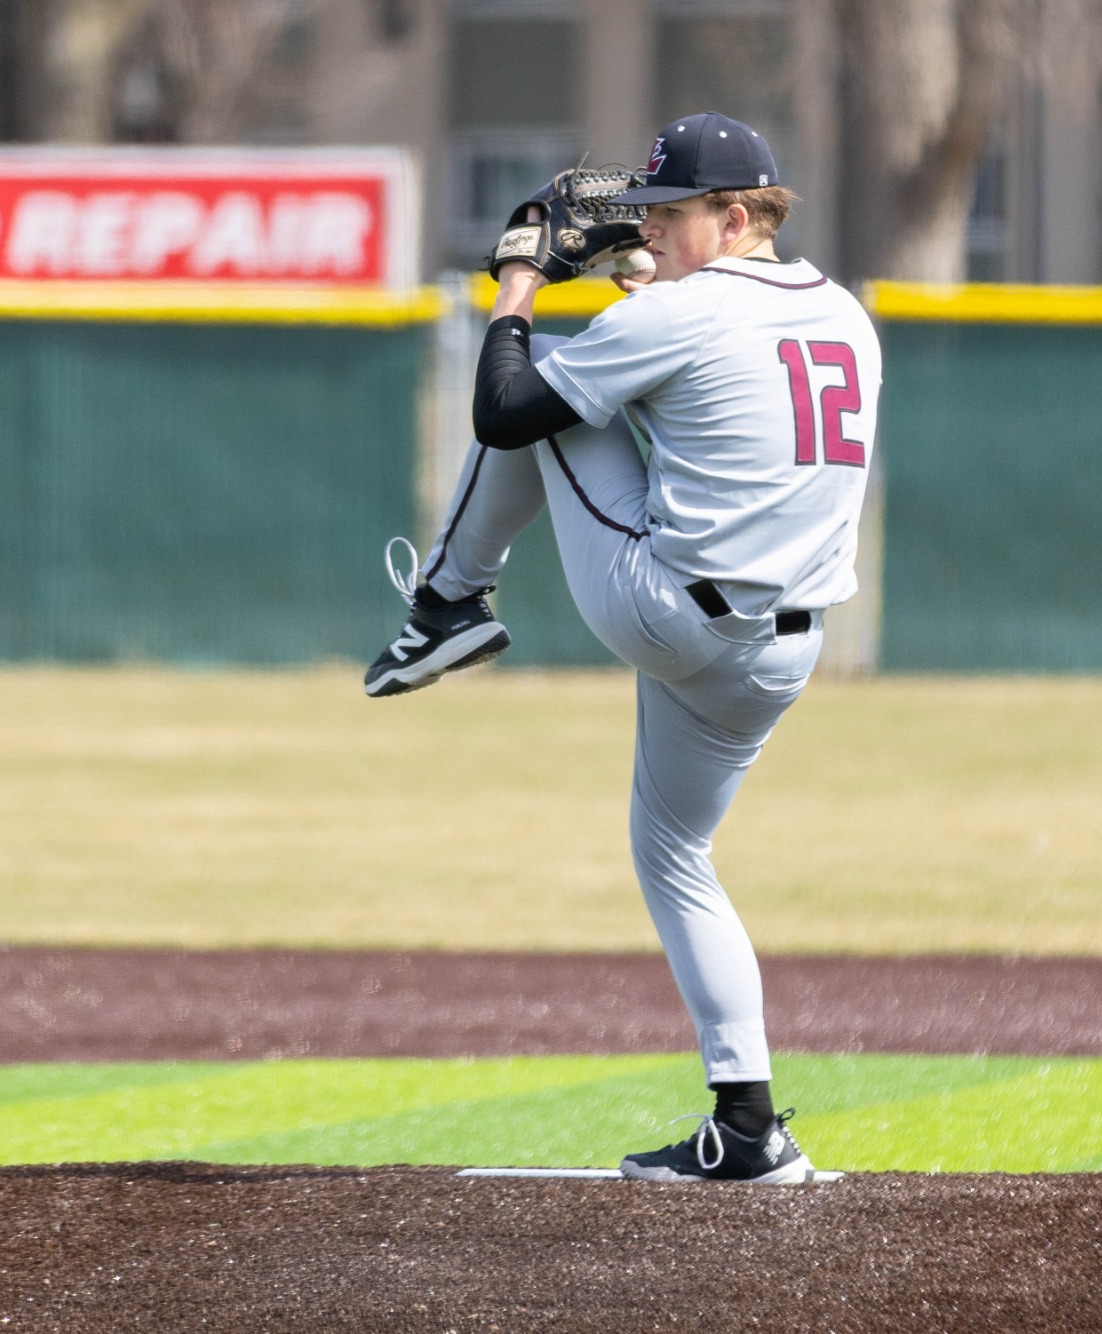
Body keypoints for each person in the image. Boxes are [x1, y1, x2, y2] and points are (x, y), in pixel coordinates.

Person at [365, 112, 881, 1183]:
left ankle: (446, 603)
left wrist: (519, 280)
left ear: (734, 217)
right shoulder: (843, 312)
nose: (647, 227)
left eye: (667, 213)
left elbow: (504, 409)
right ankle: (747, 1125)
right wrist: (643, 275)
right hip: (783, 654)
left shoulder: (689, 311)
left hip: (670, 613)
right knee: (673, 856)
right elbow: (714, 383)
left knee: (548, 379)